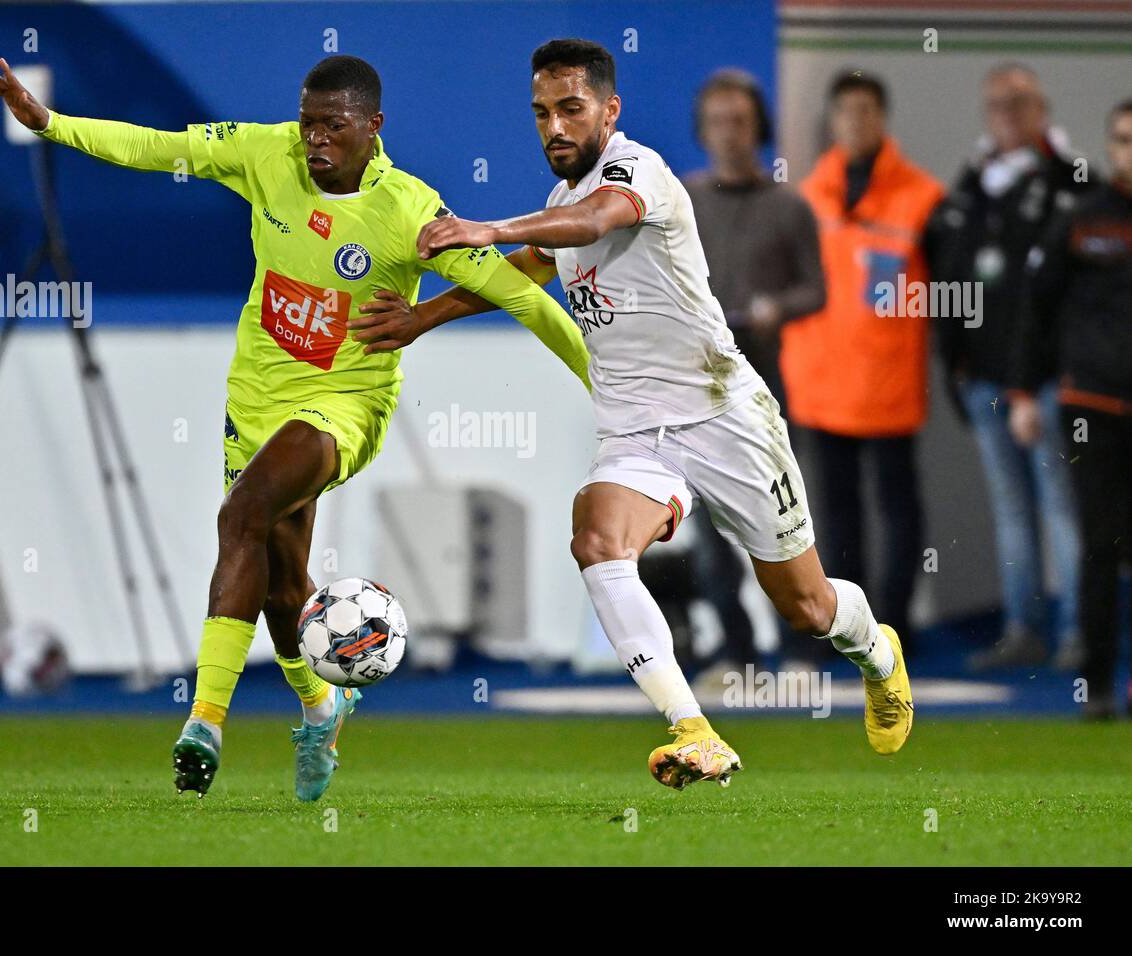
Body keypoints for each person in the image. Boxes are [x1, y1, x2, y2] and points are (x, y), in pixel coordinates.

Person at [0, 55, 591, 801]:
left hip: (343, 402)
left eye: (334, 126)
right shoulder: (265, 153)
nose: (315, 141)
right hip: (255, 399)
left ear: (374, 127)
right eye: (308, 124)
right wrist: (50, 124)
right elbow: (156, 146)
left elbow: (523, 295)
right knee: (280, 585)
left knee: (240, 515)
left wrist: (606, 386)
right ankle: (321, 705)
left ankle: (204, 722)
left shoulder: (410, 211)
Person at [350, 39, 913, 790]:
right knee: (596, 542)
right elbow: (524, 275)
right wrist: (423, 319)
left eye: (571, 109)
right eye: (541, 112)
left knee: (806, 607)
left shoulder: (638, 173)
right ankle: (695, 729)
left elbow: (594, 222)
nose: (554, 126)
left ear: (609, 112)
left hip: (724, 414)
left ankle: (878, 652)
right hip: (636, 429)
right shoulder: (556, 208)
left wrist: (486, 227)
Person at [925, 63, 1089, 671]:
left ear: (1041, 109)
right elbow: (947, 274)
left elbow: (1049, 298)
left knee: (1060, 508)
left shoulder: (1069, 183)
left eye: (1019, 104)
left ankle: (1077, 634)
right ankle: (1024, 628)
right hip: (984, 381)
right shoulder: (972, 186)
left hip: (1044, 385)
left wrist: (1029, 387)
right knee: (1012, 513)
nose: (1007, 115)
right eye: (996, 104)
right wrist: (958, 369)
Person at [781, 71, 943, 658]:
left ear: (883, 118)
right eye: (846, 110)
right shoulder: (807, 196)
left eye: (867, 110)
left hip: (889, 384)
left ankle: (896, 628)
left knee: (899, 516)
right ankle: (846, 633)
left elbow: (947, 293)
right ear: (833, 120)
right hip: (819, 383)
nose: (856, 120)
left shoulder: (921, 197)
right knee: (832, 518)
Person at [682, 68, 825, 678]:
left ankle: (800, 648)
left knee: (782, 519)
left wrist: (776, 308)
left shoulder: (790, 206)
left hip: (765, 388)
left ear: (758, 127)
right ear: (703, 130)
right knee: (709, 531)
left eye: (739, 121)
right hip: (693, 390)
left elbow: (817, 290)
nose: (729, 134)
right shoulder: (681, 199)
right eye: (717, 122)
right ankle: (736, 650)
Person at [1012, 99, 1132, 718]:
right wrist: (1026, 393)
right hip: (1094, 404)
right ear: (1109, 147)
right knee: (1099, 544)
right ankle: (1098, 685)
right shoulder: (1083, 222)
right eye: (1122, 139)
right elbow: (1037, 307)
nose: (1129, 150)